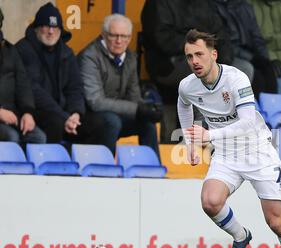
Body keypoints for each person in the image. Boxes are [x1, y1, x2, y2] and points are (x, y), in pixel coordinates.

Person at [178, 29, 281, 248]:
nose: (194, 61)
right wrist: (190, 143)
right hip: (227, 153)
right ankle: (241, 237)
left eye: (199, 54)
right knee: (210, 201)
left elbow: (248, 123)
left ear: (213, 54)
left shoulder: (236, 78)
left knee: (275, 221)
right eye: (189, 56)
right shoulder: (187, 85)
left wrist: (208, 135)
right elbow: (183, 105)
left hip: (258, 151)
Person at [15, 2, 115, 152]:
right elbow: (33, 90)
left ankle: (85, 169)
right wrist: (63, 116)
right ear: (36, 28)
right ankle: (52, 170)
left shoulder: (66, 52)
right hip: (35, 111)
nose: (50, 31)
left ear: (60, 30)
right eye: (46, 26)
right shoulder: (23, 49)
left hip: (65, 114)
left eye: (55, 27)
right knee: (54, 122)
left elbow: (75, 88)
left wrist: (75, 114)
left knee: (101, 124)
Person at [141, 0, 243, 144]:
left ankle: (225, 137)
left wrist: (223, 61)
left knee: (243, 70)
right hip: (168, 63)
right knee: (203, 77)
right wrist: (196, 47)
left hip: (204, 59)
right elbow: (162, 39)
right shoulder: (158, 3)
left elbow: (222, 35)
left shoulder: (206, 4)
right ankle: (197, 140)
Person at [78, 14, 161, 158]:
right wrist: (137, 109)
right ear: (103, 35)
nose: (119, 41)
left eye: (124, 37)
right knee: (112, 121)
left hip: (114, 116)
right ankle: (105, 170)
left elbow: (134, 97)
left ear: (129, 38)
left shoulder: (130, 58)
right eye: (113, 35)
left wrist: (149, 109)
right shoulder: (89, 56)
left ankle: (152, 170)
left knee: (147, 122)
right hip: (86, 117)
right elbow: (95, 102)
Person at [212, 0, 278, 98]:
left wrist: (265, 59)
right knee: (251, 72)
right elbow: (224, 44)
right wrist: (251, 58)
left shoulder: (245, 6)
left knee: (270, 72)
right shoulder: (213, 7)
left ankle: (269, 110)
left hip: (249, 54)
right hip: (229, 56)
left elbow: (257, 37)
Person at [0, 8, 46, 145]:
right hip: (3, 117)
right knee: (11, 137)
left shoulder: (10, 50)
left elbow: (23, 85)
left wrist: (27, 112)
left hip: (12, 115)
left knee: (38, 137)